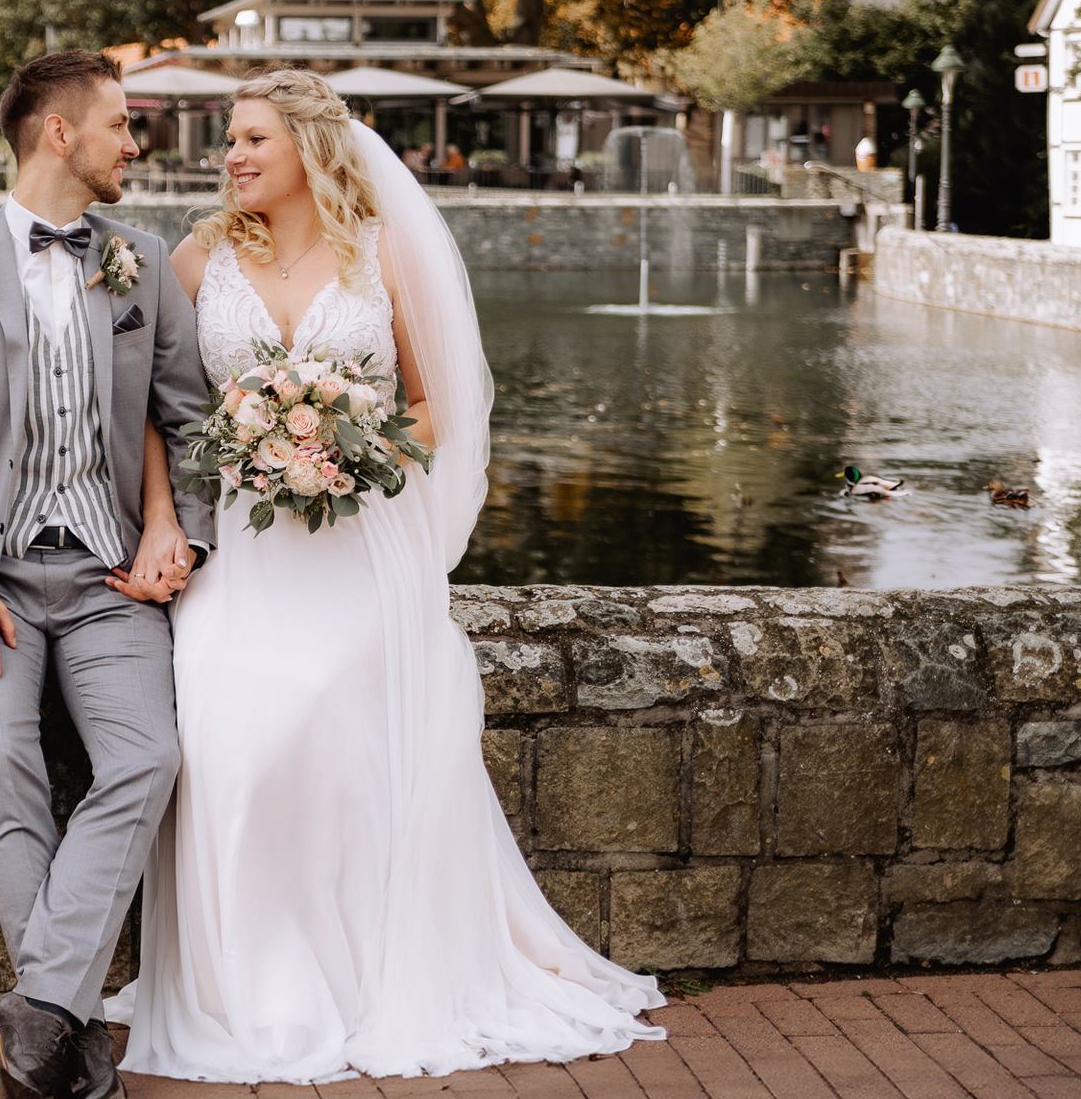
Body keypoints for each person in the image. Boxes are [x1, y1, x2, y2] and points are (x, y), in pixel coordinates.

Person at [104, 69, 666, 1081]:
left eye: (252, 140)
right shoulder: (199, 256)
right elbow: (154, 406)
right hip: (241, 542)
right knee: (237, 742)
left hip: (363, 539)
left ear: (310, 150)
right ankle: (252, 983)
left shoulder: (383, 253)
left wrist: (348, 451)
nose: (231, 156)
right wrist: (170, 512)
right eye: (230, 140)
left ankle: (372, 975)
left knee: (351, 741)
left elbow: (433, 400)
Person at [0, 50, 214, 1099]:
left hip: (110, 578)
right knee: (1, 762)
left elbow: (191, 419)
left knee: (149, 756)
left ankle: (38, 1006)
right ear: (59, 134)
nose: (138, 143)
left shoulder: (143, 260)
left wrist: (185, 534)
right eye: (123, 124)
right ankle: (63, 1015)